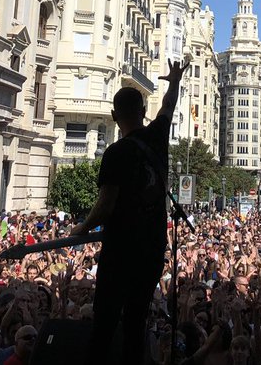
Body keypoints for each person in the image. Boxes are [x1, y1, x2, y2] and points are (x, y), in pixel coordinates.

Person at [71, 53, 190, 365]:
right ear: (143, 112)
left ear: (114, 115)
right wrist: (174, 81)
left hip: (121, 251)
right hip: (151, 250)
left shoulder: (115, 153)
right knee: (136, 324)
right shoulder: (158, 137)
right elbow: (168, 106)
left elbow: (105, 204)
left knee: (105, 323)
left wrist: (82, 228)